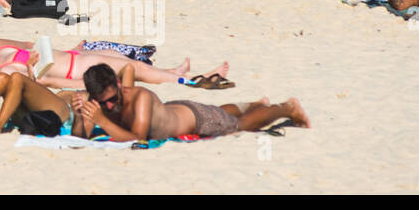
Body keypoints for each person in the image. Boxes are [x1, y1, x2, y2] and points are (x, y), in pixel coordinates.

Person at [80, 65, 308, 141]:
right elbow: (80, 135)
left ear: (119, 85)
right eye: (103, 102)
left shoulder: (140, 97)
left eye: (112, 100)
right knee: (219, 111)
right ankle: (256, 103)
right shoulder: (100, 99)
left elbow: (138, 138)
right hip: (178, 109)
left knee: (237, 126)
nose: (108, 106)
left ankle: (285, 108)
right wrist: (82, 114)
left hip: (197, 121)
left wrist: (102, 120)